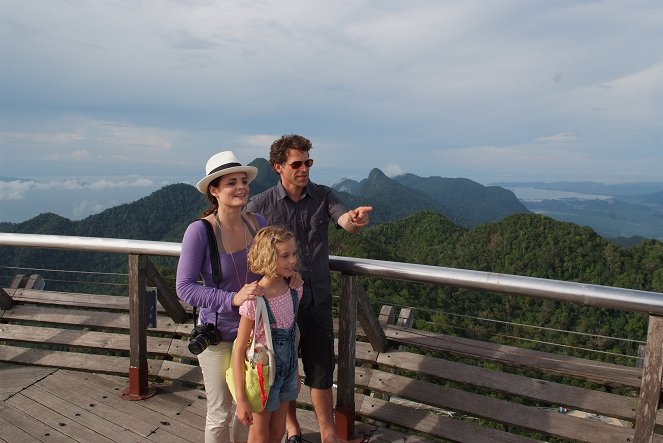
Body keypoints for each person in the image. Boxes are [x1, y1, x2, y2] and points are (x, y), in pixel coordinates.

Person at [245, 134, 372, 443]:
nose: (304, 169)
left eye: (308, 162)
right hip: (277, 301)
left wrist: (355, 220)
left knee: (321, 368)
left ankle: (328, 434)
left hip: (316, 299)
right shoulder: (260, 206)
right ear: (278, 167)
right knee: (283, 367)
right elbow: (244, 246)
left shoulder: (324, 196)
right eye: (297, 164)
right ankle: (293, 430)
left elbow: (345, 222)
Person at [176, 150, 302, 443]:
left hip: (259, 337)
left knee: (248, 413)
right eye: (230, 182)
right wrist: (232, 299)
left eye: (243, 180)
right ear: (214, 190)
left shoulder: (255, 222)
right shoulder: (200, 232)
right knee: (220, 412)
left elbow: (268, 264)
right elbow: (184, 288)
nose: (241, 187)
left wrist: (288, 275)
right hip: (220, 336)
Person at [233, 226, 304, 443]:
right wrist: (241, 399)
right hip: (264, 378)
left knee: (278, 430)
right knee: (260, 434)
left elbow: (294, 335)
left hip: (287, 373)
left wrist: (295, 372)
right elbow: (239, 350)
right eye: (285, 256)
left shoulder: (294, 289)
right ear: (267, 257)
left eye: (293, 254)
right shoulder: (255, 300)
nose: (292, 260)